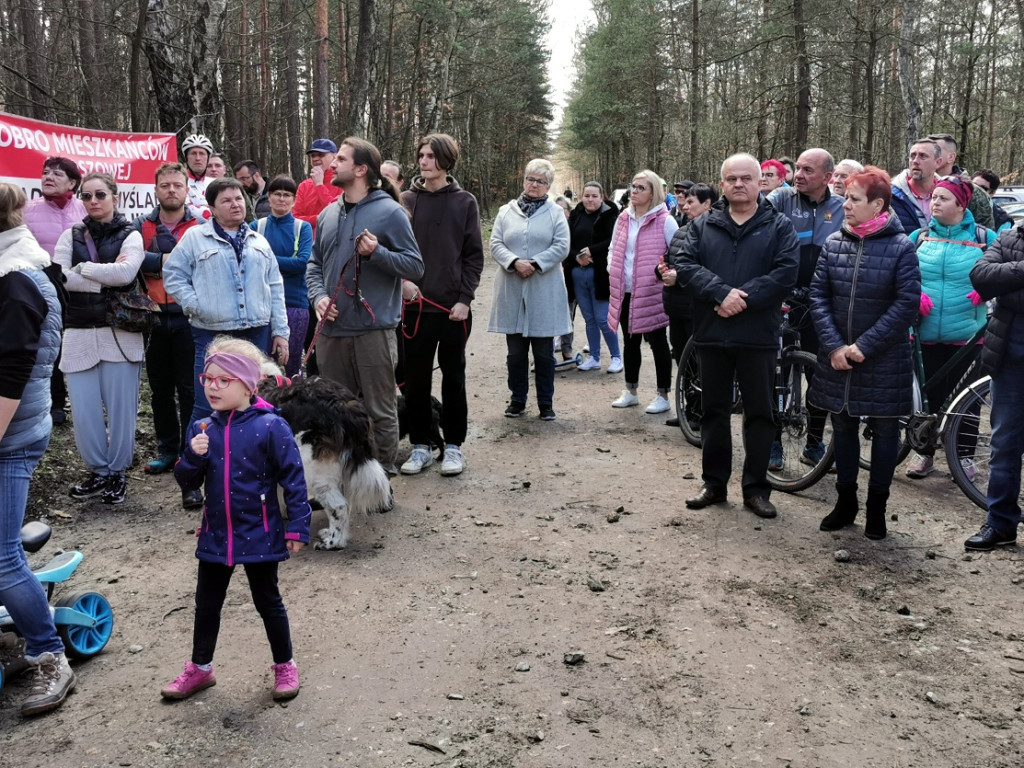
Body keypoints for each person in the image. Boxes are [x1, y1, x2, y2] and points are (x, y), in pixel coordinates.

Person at [162, 337, 310, 702]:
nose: (212, 386)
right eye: (207, 379)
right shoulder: (203, 429)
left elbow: (293, 479)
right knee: (206, 603)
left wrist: (297, 526)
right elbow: (185, 481)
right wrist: (193, 457)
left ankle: (284, 665)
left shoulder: (272, 427)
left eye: (222, 380)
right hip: (216, 535)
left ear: (247, 384)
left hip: (260, 532)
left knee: (268, 601)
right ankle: (200, 669)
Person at [671, 153, 799, 519]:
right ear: (722, 183)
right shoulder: (702, 225)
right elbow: (684, 263)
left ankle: (756, 489)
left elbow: (786, 271)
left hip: (757, 333)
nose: (739, 184)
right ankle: (713, 484)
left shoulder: (779, 226)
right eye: (732, 179)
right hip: (712, 332)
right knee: (713, 411)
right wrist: (719, 293)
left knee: (760, 413)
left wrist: (742, 298)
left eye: (747, 178)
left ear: (761, 182)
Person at [808, 167, 921, 540]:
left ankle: (877, 508)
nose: (845, 205)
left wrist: (863, 346)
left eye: (854, 199)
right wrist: (835, 345)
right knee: (841, 425)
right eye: (845, 198)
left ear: (877, 204)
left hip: (884, 358)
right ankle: (846, 502)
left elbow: (905, 304)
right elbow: (819, 297)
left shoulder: (901, 247)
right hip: (837, 354)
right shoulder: (833, 243)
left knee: (886, 431)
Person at [0, 182, 76, 717]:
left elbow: (12, 375)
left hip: (11, 436)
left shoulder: (17, 280)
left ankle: (49, 653)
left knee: (1, 558)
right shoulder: (22, 264)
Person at [306, 137, 423, 474]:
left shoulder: (390, 212)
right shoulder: (327, 214)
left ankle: (381, 477)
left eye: (340, 159)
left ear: (360, 169)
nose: (332, 164)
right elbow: (314, 265)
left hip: (374, 332)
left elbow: (415, 267)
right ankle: (340, 478)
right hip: (330, 332)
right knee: (334, 412)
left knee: (379, 410)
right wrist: (319, 297)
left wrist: (378, 253)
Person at [164, 177, 290, 425]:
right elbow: (173, 275)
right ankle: (197, 461)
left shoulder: (259, 241)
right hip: (211, 334)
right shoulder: (195, 238)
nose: (235, 205)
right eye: (226, 200)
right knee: (206, 404)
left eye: (238, 198)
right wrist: (195, 304)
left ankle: (245, 460)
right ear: (212, 207)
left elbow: (275, 286)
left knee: (252, 400)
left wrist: (281, 332)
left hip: (255, 333)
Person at [54, 173, 145, 505]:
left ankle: (118, 473)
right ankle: (98, 472)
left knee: (122, 410)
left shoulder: (130, 234)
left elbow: (125, 274)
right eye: (87, 195)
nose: (93, 201)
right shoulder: (70, 234)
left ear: (115, 198)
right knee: (84, 410)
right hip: (78, 332)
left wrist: (84, 270)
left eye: (100, 194)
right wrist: (103, 274)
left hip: (119, 334)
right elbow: (59, 278)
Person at [398, 133, 484, 477]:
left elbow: (474, 256)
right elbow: (394, 250)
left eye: (431, 156)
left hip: (452, 311)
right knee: (415, 381)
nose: (424, 161)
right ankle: (421, 445)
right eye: (421, 155)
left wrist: (465, 299)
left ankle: (453, 446)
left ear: (446, 160)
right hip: (414, 309)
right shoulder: (404, 200)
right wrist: (402, 282)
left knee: (454, 378)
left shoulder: (465, 202)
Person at [904, 177, 995, 479]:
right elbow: (901, 275)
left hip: (967, 337)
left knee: (966, 405)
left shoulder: (985, 237)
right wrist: (915, 294)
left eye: (943, 198)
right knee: (928, 397)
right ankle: (923, 454)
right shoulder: (919, 237)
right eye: (934, 198)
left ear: (960, 204)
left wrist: (987, 289)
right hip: (925, 335)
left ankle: (963, 458)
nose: (935, 203)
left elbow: (1005, 273)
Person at [766, 148, 846, 468]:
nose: (798, 174)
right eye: (797, 168)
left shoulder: (842, 207)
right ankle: (772, 444)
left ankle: (814, 443)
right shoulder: (781, 199)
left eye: (807, 170)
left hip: (823, 301)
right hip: (783, 296)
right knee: (777, 372)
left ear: (828, 177)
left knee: (819, 374)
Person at [132, 163, 202, 509]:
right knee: (160, 389)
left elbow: (202, 262)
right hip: (153, 317)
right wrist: (167, 258)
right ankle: (166, 448)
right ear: (156, 189)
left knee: (190, 388)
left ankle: (191, 449)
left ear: (186, 189)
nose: (171, 190)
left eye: (177, 184)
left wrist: (158, 261)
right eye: (165, 185)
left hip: (189, 317)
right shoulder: (141, 225)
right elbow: (130, 259)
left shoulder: (200, 225)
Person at [488, 158, 571, 420]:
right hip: (512, 287)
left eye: (540, 181)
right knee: (515, 353)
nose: (534, 185)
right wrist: (514, 262)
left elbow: (562, 246)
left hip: (543, 288)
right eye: (530, 179)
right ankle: (517, 400)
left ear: (548, 186)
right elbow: (495, 243)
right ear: (523, 180)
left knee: (544, 353)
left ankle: (546, 403)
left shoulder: (556, 213)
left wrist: (535, 263)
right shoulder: (506, 211)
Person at [965, 222, 1024, 550]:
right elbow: (982, 277)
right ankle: (1000, 524)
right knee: (1004, 444)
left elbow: (998, 283)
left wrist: (1009, 282)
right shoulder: (1011, 235)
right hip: (1011, 360)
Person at [606, 169, 678, 414]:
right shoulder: (623, 218)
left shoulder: (665, 220)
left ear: (653, 192)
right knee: (629, 341)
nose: (634, 192)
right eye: (633, 187)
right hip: (624, 290)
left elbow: (677, 254)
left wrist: (666, 274)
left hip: (652, 293)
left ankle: (663, 394)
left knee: (658, 342)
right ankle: (631, 390)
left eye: (640, 188)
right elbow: (613, 247)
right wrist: (611, 268)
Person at [23, 156, 87, 426]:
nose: (48, 177)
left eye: (57, 174)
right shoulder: (27, 209)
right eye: (45, 172)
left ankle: (85, 401)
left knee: (76, 344)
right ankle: (54, 403)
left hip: (81, 286)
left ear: (72, 182)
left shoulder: (85, 209)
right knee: (48, 344)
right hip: (42, 284)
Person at [658, 182, 718, 428]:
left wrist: (679, 277)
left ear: (707, 204)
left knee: (700, 364)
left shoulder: (714, 231)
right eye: (684, 200)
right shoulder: (683, 228)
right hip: (676, 307)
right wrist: (660, 269)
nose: (684, 204)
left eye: (691, 201)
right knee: (684, 362)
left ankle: (701, 415)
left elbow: (708, 268)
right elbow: (672, 259)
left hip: (696, 308)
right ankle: (687, 410)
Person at [250, 175, 313, 378]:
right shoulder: (255, 227)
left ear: (294, 200)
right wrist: (285, 263)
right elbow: (250, 263)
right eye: (277, 194)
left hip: (295, 303)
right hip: (260, 305)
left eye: (287, 195)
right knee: (261, 365)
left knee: (290, 363)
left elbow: (302, 264)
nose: (282, 199)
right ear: (269, 197)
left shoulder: (302, 228)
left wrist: (266, 259)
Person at [565, 181, 621, 373]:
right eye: (586, 195)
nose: (590, 199)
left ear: (602, 197)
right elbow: (567, 241)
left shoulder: (610, 215)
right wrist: (576, 257)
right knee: (589, 318)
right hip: (577, 272)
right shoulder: (576, 215)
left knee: (603, 318)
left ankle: (616, 357)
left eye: (594, 196)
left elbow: (613, 241)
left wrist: (592, 251)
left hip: (600, 273)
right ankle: (594, 357)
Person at [927, 133, 995, 229]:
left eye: (935, 151)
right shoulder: (916, 186)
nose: (928, 155)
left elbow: (984, 234)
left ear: (951, 157)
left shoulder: (975, 193)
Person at [890, 138, 941, 235]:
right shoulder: (890, 196)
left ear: (938, 162)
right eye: (912, 156)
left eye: (923, 156)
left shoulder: (951, 195)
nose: (915, 161)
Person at [294, 138, 343, 230]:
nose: (316, 159)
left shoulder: (342, 182)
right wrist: (319, 218)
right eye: (313, 156)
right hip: (307, 240)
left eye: (321, 155)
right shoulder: (304, 185)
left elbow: (336, 213)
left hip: (333, 239)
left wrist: (319, 185)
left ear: (334, 156)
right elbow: (296, 219)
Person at [553, 194, 576, 360]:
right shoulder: (548, 226)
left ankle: (566, 348)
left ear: (569, 211)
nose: (560, 213)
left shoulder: (574, 228)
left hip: (569, 279)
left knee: (567, 314)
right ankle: (545, 352)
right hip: (549, 278)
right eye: (557, 210)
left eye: (563, 210)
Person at [180, 133, 214, 221]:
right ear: (186, 158)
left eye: (202, 153)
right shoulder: (179, 183)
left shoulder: (215, 183)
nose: (198, 158)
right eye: (193, 153)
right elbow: (187, 211)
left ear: (208, 158)